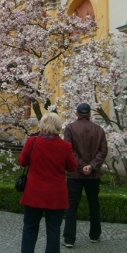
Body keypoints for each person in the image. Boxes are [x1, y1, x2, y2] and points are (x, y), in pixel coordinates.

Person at [18, 113, 78, 253]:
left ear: (42, 125)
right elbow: (72, 167)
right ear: (58, 126)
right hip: (56, 195)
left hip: (34, 193)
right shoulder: (65, 146)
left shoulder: (32, 142)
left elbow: (22, 162)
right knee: (53, 230)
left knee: (30, 228)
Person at [63, 103, 108, 248]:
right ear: (89, 114)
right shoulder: (99, 129)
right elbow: (103, 151)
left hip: (75, 174)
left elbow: (70, 151)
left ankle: (69, 238)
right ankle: (95, 235)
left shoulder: (70, 128)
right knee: (94, 204)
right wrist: (92, 166)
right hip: (93, 175)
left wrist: (82, 166)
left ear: (77, 114)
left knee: (71, 206)